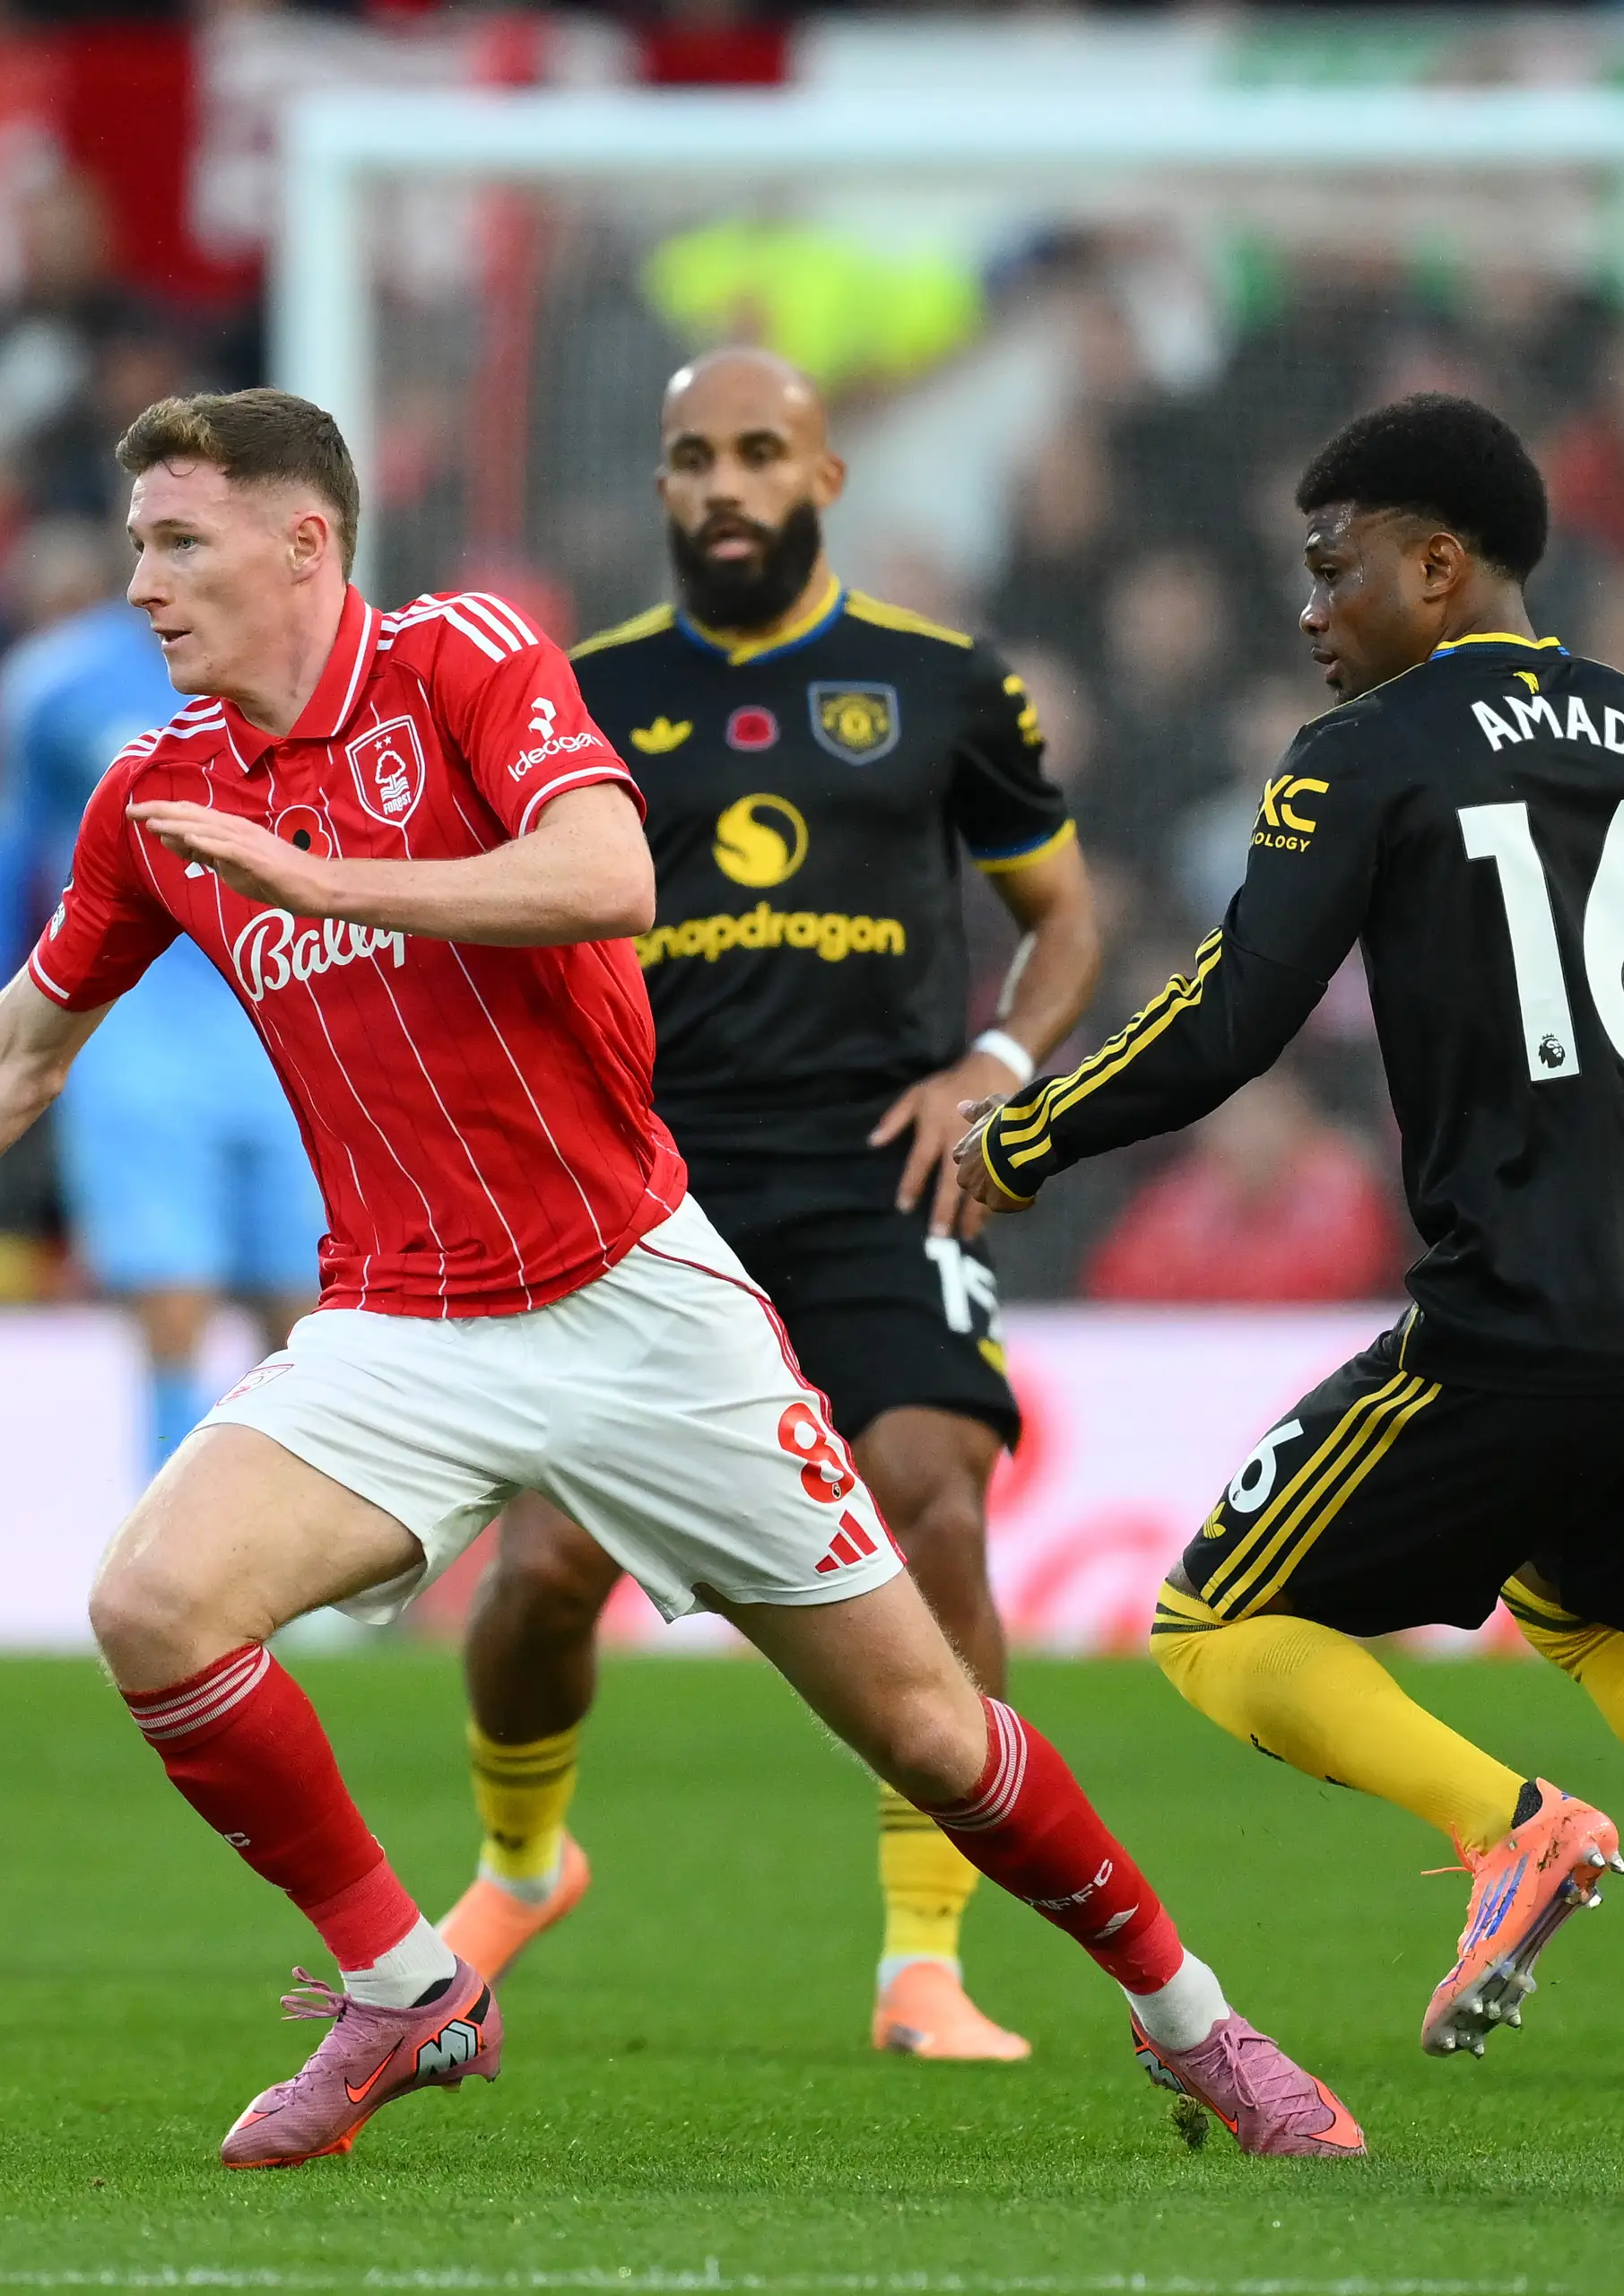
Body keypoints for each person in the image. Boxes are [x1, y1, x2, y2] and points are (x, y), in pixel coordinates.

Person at [0, 387, 1359, 2168]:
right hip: (400, 1323)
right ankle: (405, 1984)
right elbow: (16, 1054)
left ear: (304, 542)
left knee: (934, 1726)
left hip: (634, 1297)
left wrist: (327, 876)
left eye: (177, 542)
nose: (142, 583)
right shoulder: (156, 791)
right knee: (154, 1607)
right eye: (137, 544)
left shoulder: (463, 659)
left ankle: (1198, 2023)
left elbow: (609, 873)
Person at [958, 392, 1624, 2148]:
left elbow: (1233, 1016)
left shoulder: (1366, 753)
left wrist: (1023, 1137)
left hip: (1521, 1326)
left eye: (1336, 570)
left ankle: (1505, 1824)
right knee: (1592, 1603)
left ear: (1442, 566)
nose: (1311, 608)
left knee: (1214, 1622)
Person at [438, 349, 1103, 2066]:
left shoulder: (944, 684)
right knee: (545, 1569)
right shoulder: (578, 697)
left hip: (883, 1162)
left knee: (933, 1500)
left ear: (824, 477)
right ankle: (523, 1863)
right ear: (663, 486)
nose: (723, 485)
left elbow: (1066, 918)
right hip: (649, 1173)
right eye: (692, 458)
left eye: (756, 453)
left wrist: (998, 1064)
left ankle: (924, 1961)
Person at [0, 575, 322, 1473]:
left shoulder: (305, 667)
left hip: (286, 1011)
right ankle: (166, 1512)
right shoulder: (54, 681)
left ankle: (298, 1529)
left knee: (306, 1304)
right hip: (134, 1023)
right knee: (170, 1294)